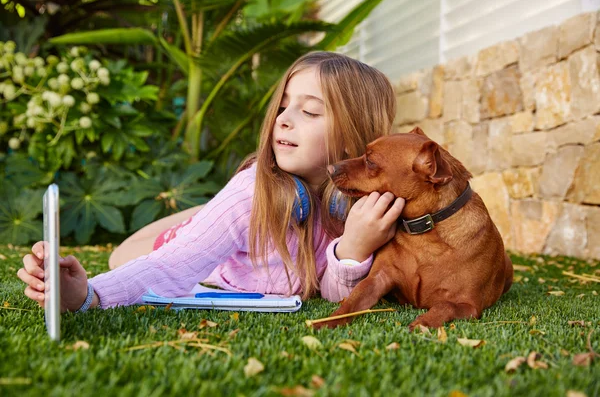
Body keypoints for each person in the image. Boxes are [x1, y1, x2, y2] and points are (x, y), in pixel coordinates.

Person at [17, 51, 405, 313]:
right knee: (137, 253)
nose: (283, 119)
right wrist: (88, 296)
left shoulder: (358, 206)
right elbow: (170, 265)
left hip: (219, 222)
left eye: (309, 111)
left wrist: (353, 245)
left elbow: (332, 290)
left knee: (213, 218)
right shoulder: (250, 197)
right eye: (284, 105)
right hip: (170, 243)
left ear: (354, 134)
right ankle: (202, 217)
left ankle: (204, 215)